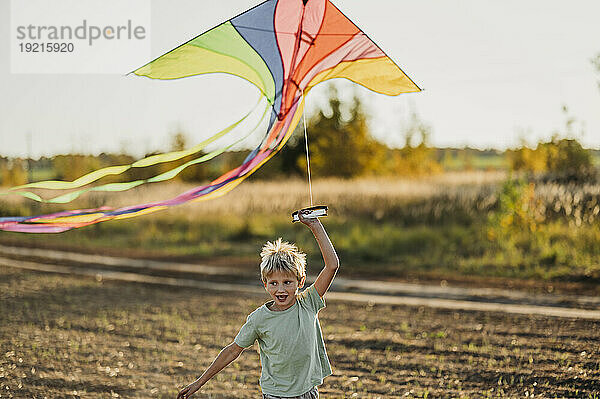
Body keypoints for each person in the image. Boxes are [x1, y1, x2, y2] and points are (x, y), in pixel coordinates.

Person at [176, 210, 339, 399]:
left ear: (300, 282)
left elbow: (332, 265)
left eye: (287, 282)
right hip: (275, 395)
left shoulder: (308, 302)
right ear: (265, 284)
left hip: (307, 393)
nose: (281, 290)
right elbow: (232, 350)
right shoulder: (259, 319)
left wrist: (315, 226)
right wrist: (199, 382)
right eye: (274, 283)